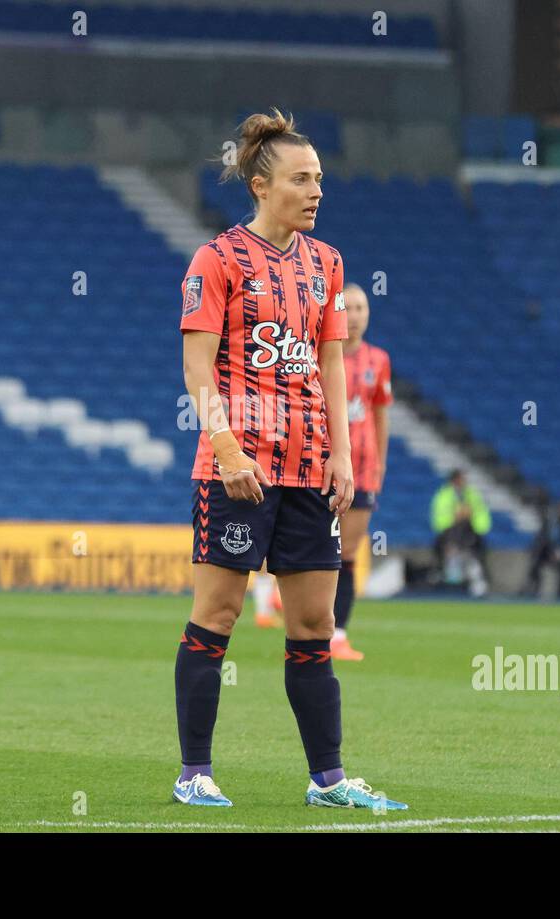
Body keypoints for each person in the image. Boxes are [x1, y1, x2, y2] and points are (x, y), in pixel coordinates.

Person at [174, 109, 406, 810]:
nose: (317, 191)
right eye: (303, 179)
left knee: (313, 624)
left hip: (310, 470)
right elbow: (197, 368)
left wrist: (342, 453)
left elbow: (332, 365)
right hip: (240, 469)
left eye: (320, 179)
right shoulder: (216, 260)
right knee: (217, 615)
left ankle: (328, 779)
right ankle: (194, 773)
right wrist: (223, 447)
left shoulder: (327, 263)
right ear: (261, 184)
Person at [333, 282, 392, 661]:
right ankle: (309, 626)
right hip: (325, 467)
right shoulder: (323, 355)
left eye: (361, 308)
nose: (355, 316)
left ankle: (337, 633)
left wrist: (381, 464)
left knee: (348, 552)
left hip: (363, 469)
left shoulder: (379, 360)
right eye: (348, 308)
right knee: (319, 548)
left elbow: (380, 415)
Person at [430, 469, 491, 597]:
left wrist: (471, 519)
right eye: (462, 479)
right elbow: (440, 518)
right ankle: (450, 579)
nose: (464, 481)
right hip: (449, 533)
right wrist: (456, 516)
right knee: (450, 550)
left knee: (475, 554)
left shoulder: (471, 494)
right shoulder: (444, 496)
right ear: (455, 480)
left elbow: (480, 513)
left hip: (470, 532)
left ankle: (477, 582)